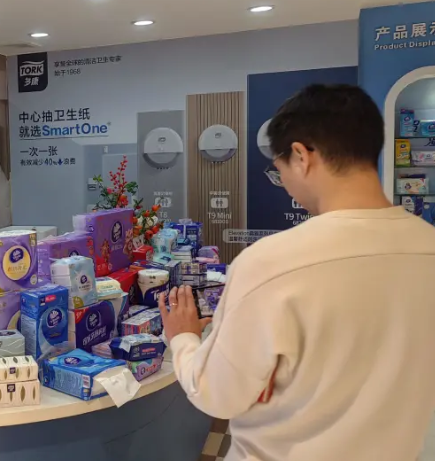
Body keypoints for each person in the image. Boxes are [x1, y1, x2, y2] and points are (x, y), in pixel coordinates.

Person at [160, 84, 435, 461]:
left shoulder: (272, 262)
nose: (285, 183)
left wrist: (183, 338)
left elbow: (217, 395)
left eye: (280, 170)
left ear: (302, 156)